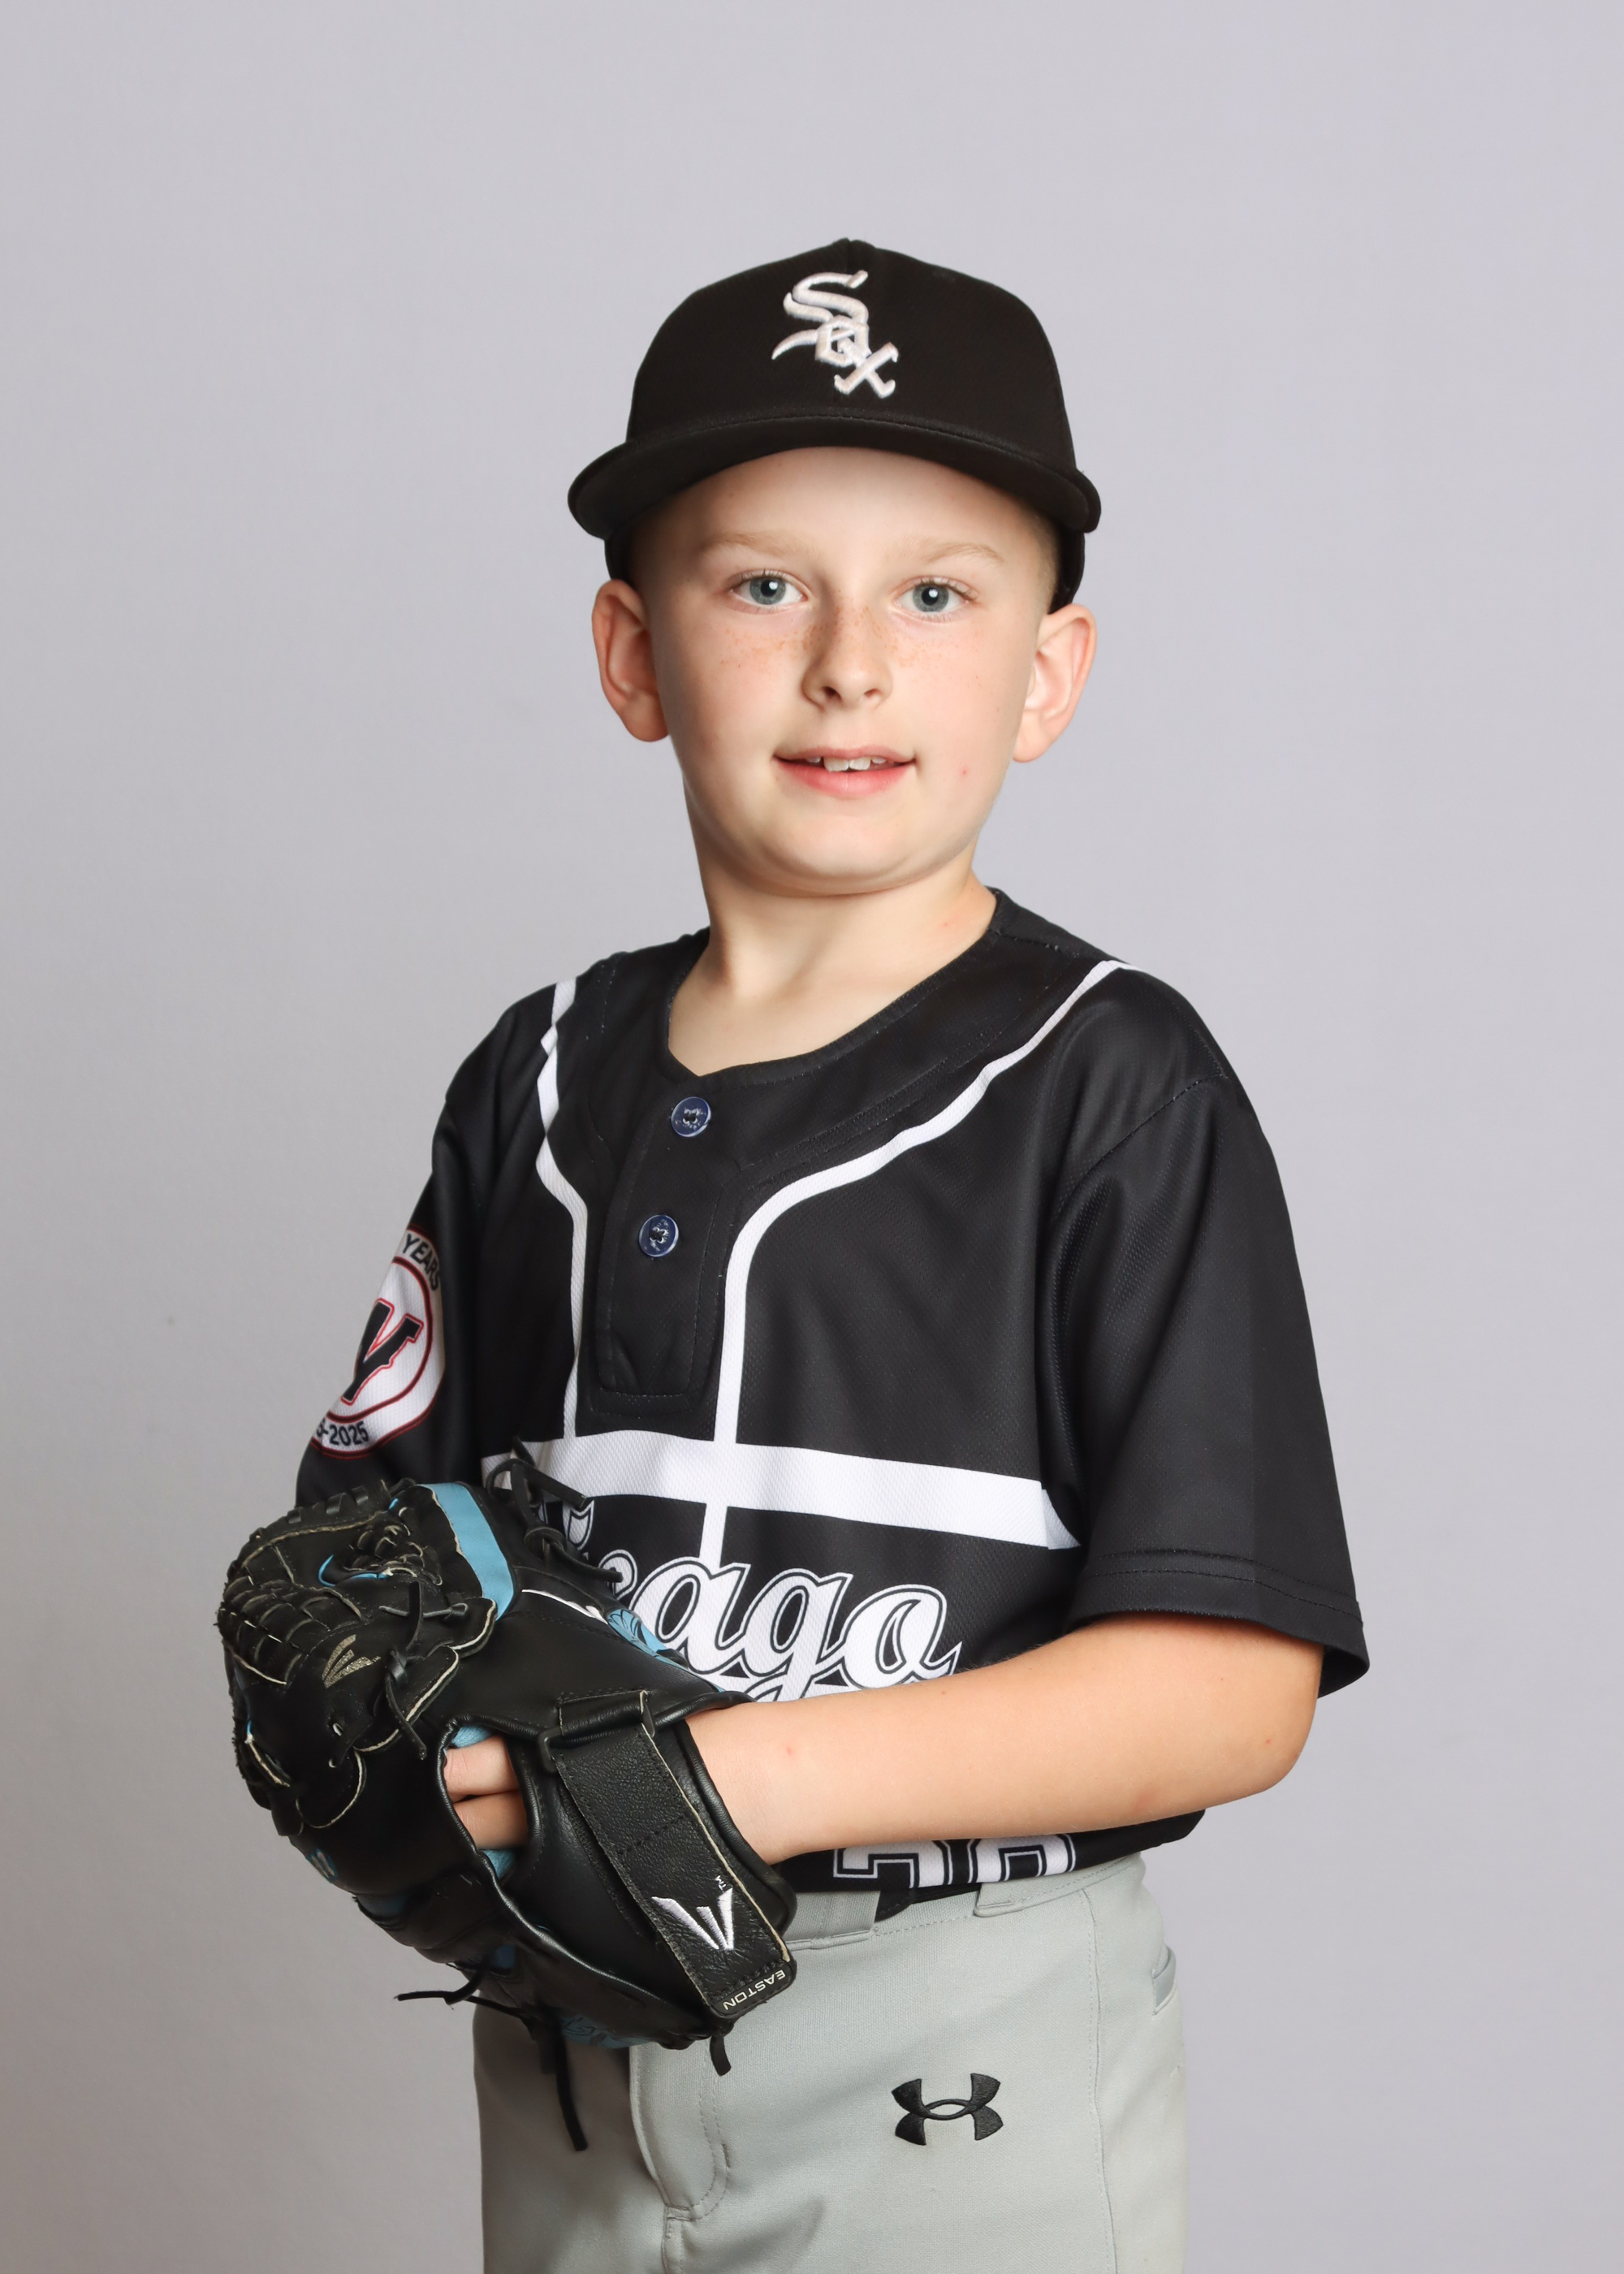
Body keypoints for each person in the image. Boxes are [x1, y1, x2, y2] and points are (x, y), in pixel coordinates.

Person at [296, 240, 1366, 2272]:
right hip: (571, 2038)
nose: (849, 662)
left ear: (1046, 671)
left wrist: (705, 1773)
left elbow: (1231, 1683)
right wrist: (391, 1715)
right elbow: (374, 1561)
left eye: (937, 594)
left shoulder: (1110, 1079)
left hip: (959, 2042)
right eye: (764, 584)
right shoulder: (535, 1077)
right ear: (634, 653)